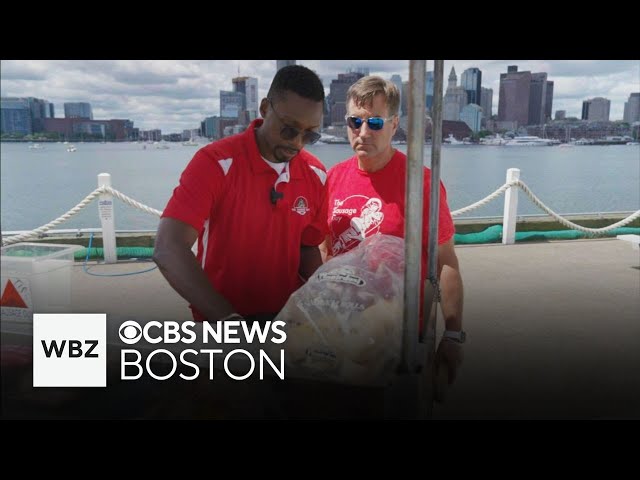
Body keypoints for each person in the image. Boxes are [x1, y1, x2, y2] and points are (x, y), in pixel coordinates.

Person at [153, 65, 328, 323]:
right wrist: (229, 320)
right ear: (266, 108)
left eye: (310, 134)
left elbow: (307, 246)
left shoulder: (316, 173)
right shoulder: (215, 163)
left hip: (288, 321)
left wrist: (323, 299)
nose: (297, 142)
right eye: (289, 129)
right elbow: (168, 248)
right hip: (219, 319)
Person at [322, 75, 465, 386]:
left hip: (399, 336)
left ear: (394, 124)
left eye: (374, 122)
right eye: (354, 121)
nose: (362, 132)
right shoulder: (333, 178)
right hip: (339, 328)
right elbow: (324, 250)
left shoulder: (421, 183)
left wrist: (453, 334)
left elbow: (445, 261)